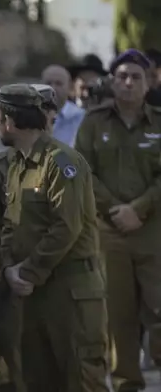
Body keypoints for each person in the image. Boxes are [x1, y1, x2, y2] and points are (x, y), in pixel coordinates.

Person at [0, 83, 109, 392]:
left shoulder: (61, 162)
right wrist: (10, 267)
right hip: (34, 294)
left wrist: (28, 271)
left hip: (71, 293)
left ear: (7, 120)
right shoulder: (18, 166)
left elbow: (66, 226)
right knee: (39, 382)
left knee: (82, 380)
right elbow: (11, 224)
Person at [75, 48, 161, 391]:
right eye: (122, 76)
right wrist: (116, 210)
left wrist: (138, 209)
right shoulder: (94, 123)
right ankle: (127, 382)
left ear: (148, 81)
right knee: (118, 316)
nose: (128, 83)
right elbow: (83, 171)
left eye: (135, 77)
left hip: (153, 231)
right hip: (110, 232)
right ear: (113, 81)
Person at [0, 84, 57, 392]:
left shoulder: (63, 166)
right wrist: (12, 268)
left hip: (53, 286)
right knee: (13, 375)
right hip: (9, 290)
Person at [41, 64, 85, 146]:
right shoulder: (31, 116)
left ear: (69, 87)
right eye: (48, 83)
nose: (52, 88)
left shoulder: (82, 118)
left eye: (59, 83)